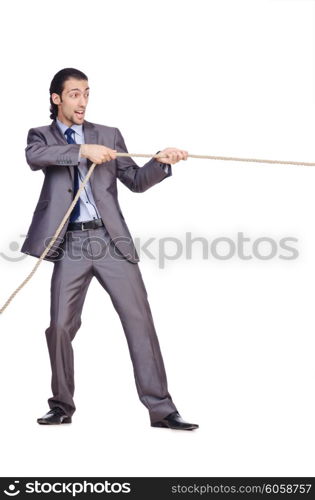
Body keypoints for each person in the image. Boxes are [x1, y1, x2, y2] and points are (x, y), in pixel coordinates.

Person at [21, 68, 198, 431]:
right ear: (56, 98)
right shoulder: (41, 135)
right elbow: (37, 156)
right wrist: (82, 150)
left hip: (109, 240)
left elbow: (135, 181)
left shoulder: (108, 134)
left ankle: (162, 410)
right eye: (74, 94)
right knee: (59, 326)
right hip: (70, 242)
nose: (82, 101)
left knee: (139, 321)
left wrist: (160, 162)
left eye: (86, 93)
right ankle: (61, 405)